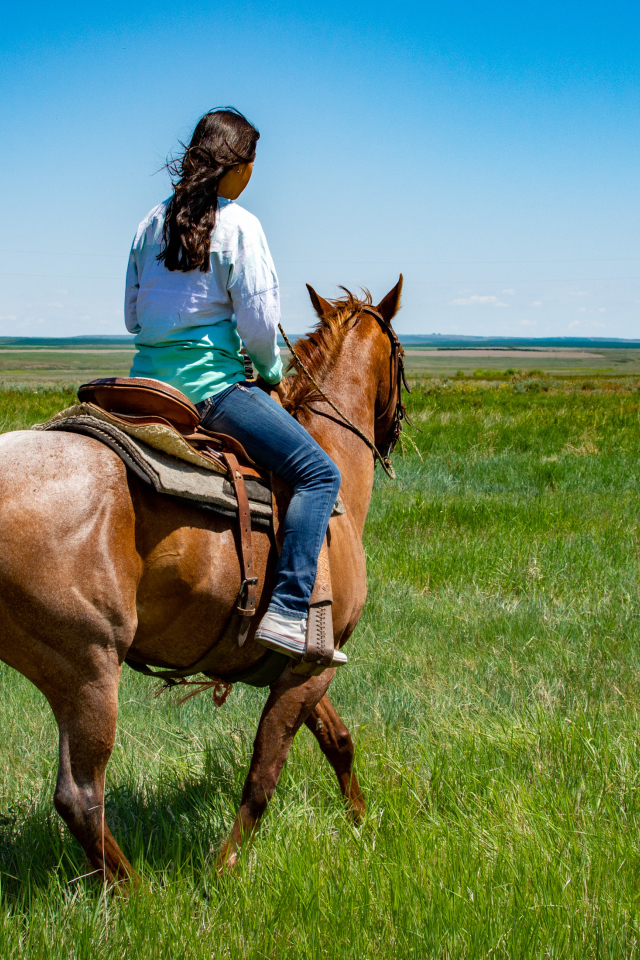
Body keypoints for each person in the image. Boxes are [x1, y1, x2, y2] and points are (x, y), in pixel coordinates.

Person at [124, 108, 346, 665]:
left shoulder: (149, 223)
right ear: (239, 167)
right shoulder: (241, 226)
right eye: (253, 164)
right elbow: (259, 325)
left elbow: (131, 317)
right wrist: (270, 372)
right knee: (319, 473)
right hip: (209, 393)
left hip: (142, 388)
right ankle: (290, 612)